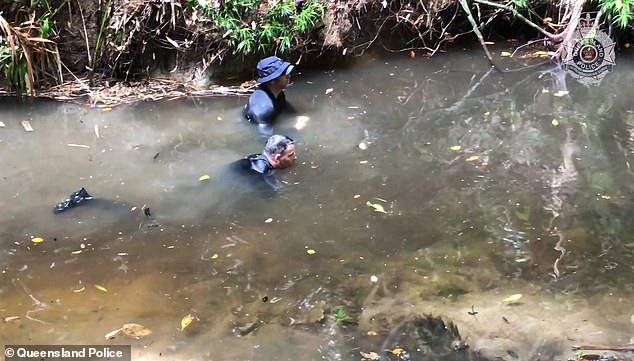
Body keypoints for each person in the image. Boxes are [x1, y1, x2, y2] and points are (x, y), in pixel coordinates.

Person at [244, 56, 296, 137]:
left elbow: (287, 109)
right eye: (284, 74)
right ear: (272, 81)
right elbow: (265, 140)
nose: (289, 76)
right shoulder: (264, 108)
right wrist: (293, 128)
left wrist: (296, 118)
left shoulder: (278, 93)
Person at [232, 134, 297, 192]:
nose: (295, 157)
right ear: (277, 158)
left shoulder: (257, 157)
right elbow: (269, 196)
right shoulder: (260, 174)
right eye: (290, 155)